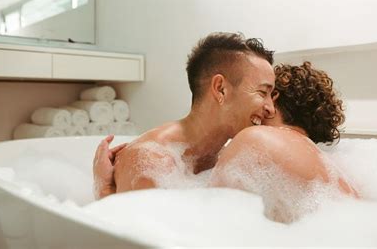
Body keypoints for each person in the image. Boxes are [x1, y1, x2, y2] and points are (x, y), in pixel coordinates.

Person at [93, 32, 276, 199]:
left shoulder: (226, 161)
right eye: (262, 92)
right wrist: (104, 190)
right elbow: (126, 233)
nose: (271, 109)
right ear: (221, 89)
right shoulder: (151, 162)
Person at [209, 61, 359, 223]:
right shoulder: (327, 165)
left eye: (263, 93)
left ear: (272, 100)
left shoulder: (255, 139)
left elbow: (211, 217)